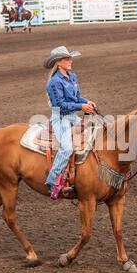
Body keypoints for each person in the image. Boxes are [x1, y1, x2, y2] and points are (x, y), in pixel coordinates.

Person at [43, 46, 97, 200]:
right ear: (59, 62)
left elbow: (77, 97)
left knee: (96, 132)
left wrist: (87, 101)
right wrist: (81, 106)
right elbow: (60, 104)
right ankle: (52, 180)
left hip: (73, 116)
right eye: (67, 59)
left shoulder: (72, 76)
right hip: (60, 117)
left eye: (70, 58)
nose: (70, 61)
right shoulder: (54, 82)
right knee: (66, 148)